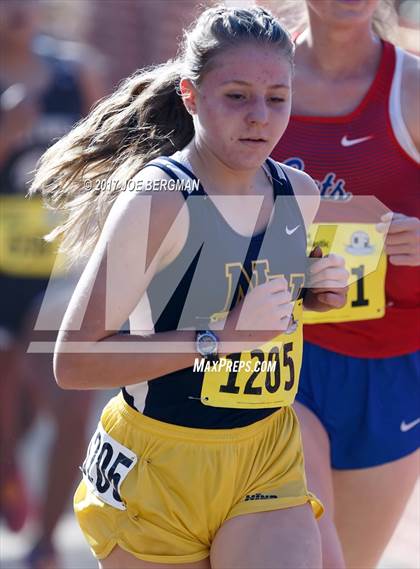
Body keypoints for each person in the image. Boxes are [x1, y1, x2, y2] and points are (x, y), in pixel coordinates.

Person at [32, 6, 348, 568]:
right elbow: (74, 362)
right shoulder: (157, 200)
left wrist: (314, 293)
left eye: (277, 98)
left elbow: (257, 306)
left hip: (265, 454)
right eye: (237, 96)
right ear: (191, 95)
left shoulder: (298, 192)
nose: (259, 117)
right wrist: (220, 337)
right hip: (160, 465)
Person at [270, 1, 419, 568]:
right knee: (307, 555)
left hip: (391, 367)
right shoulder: (253, 72)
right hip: (282, 355)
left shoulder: (411, 88)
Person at [0, 2, 106, 567]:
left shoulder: (75, 73)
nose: (17, 9)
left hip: (55, 269)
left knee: (68, 392)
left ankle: (46, 545)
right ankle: (7, 469)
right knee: (9, 411)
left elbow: (104, 165)